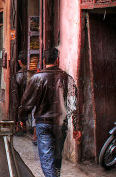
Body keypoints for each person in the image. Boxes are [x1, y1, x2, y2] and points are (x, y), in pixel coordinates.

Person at [18, 48, 81, 177]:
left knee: (47, 161)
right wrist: (77, 126)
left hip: (43, 124)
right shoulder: (67, 78)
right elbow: (74, 105)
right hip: (60, 124)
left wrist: (22, 118)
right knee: (56, 158)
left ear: (43, 60)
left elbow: (27, 102)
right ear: (57, 60)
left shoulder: (37, 78)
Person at [10, 50, 33, 135]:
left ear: (19, 62)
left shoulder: (17, 76)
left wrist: (15, 120)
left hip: (22, 109)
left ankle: (21, 126)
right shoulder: (36, 75)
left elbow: (15, 100)